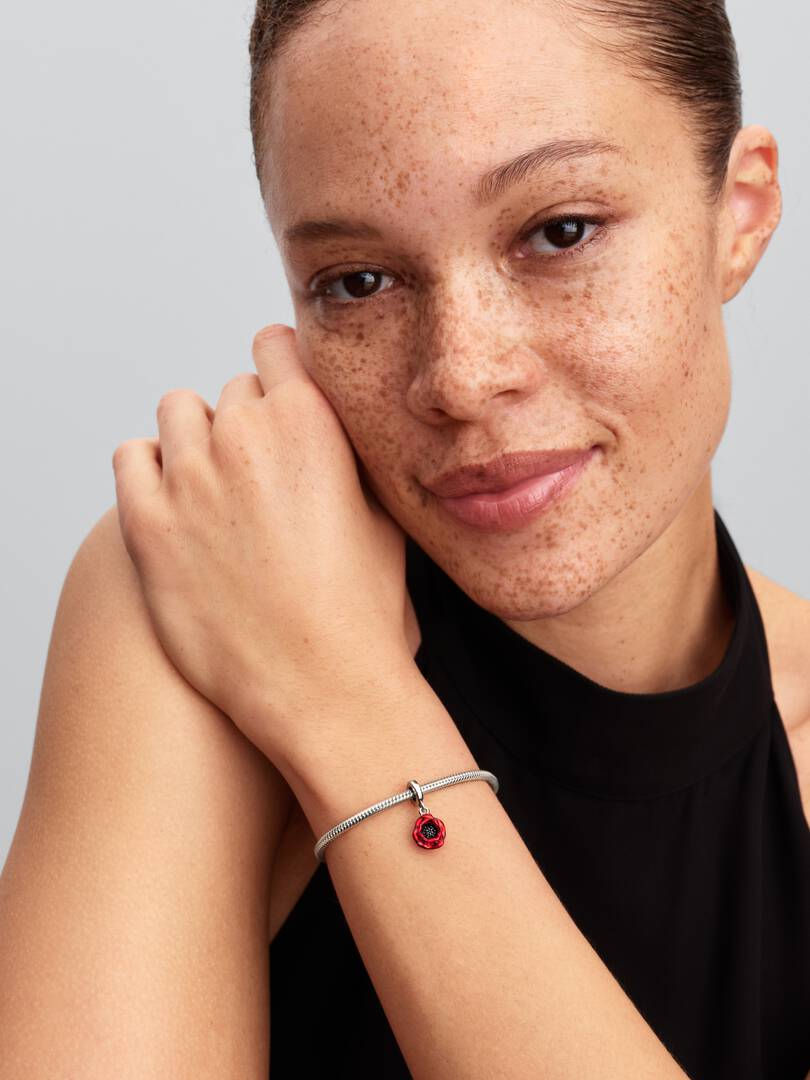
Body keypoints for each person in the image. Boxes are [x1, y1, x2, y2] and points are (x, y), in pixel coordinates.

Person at [0, 1, 807, 1078]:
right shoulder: (198, 594)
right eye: (358, 282)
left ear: (739, 214)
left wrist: (347, 710)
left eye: (560, 232)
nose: (462, 376)